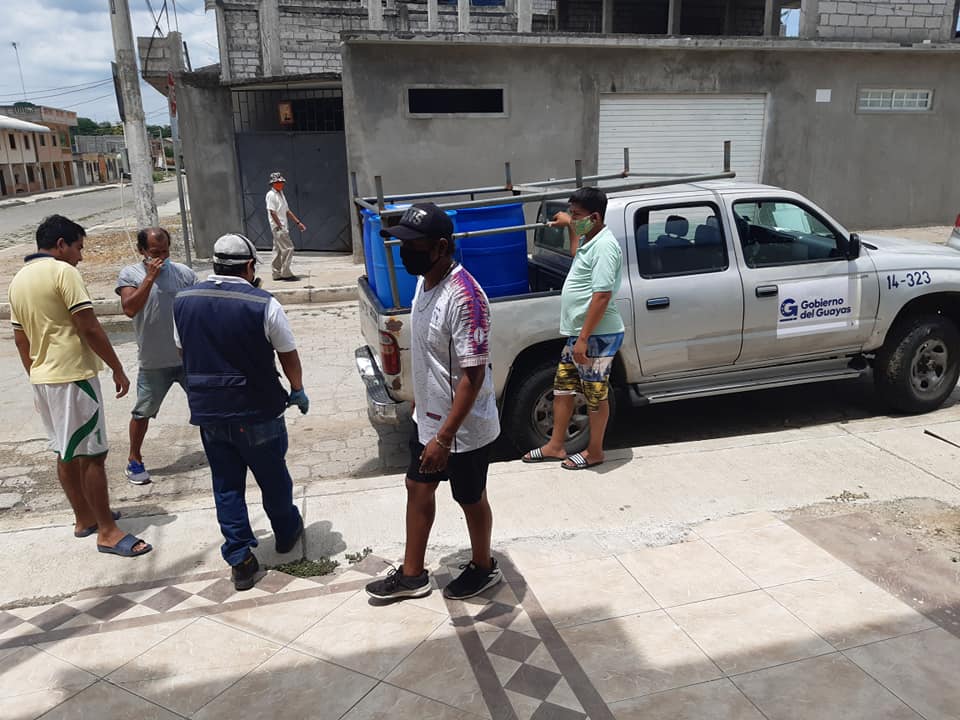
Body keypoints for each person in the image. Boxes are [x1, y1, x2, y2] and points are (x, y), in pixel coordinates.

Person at [365, 203, 501, 602]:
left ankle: (484, 566)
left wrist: (443, 438)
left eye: (413, 245)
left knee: (470, 497)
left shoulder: (466, 298)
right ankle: (412, 576)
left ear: (440, 247)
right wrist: (419, 403)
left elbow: (473, 376)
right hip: (427, 419)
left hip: (462, 429)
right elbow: (431, 357)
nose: (404, 253)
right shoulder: (425, 283)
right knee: (417, 487)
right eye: (402, 245)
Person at [8, 215, 151, 557]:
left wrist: (35, 376)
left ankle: (85, 518)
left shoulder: (18, 280)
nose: (81, 257)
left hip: (44, 378)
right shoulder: (63, 273)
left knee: (66, 451)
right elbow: (89, 327)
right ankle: (108, 532)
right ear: (61, 245)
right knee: (93, 455)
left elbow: (20, 339)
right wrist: (117, 368)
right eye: (78, 248)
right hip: (73, 376)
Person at [173, 233, 309, 591]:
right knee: (273, 477)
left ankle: (240, 558)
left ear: (215, 265)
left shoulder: (183, 301)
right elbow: (288, 354)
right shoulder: (264, 303)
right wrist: (297, 389)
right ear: (249, 266)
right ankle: (285, 533)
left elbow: (183, 352)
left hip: (210, 413)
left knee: (226, 484)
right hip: (258, 410)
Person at [522, 187, 624, 470]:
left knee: (595, 394)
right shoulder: (591, 240)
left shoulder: (605, 247)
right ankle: (555, 445)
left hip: (597, 336)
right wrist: (570, 225)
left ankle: (595, 452)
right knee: (563, 389)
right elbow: (576, 251)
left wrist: (584, 339)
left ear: (595, 217)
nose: (574, 218)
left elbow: (602, 296)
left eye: (577, 215)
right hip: (580, 334)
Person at [116, 227, 197, 485]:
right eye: (155, 252)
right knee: (143, 412)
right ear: (142, 251)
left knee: (208, 406)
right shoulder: (130, 274)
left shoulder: (184, 273)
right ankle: (134, 458)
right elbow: (129, 308)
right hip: (153, 361)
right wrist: (150, 278)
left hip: (187, 359)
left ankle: (222, 451)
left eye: (165, 251)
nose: (161, 257)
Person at [265, 171, 306, 282]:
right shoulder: (271, 195)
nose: (280, 184)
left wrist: (298, 223)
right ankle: (286, 273)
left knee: (278, 250)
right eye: (277, 182)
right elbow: (272, 212)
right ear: (273, 184)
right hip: (278, 227)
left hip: (281, 227)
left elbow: (287, 211)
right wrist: (280, 226)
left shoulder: (281, 194)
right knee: (288, 248)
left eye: (281, 182)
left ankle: (276, 273)